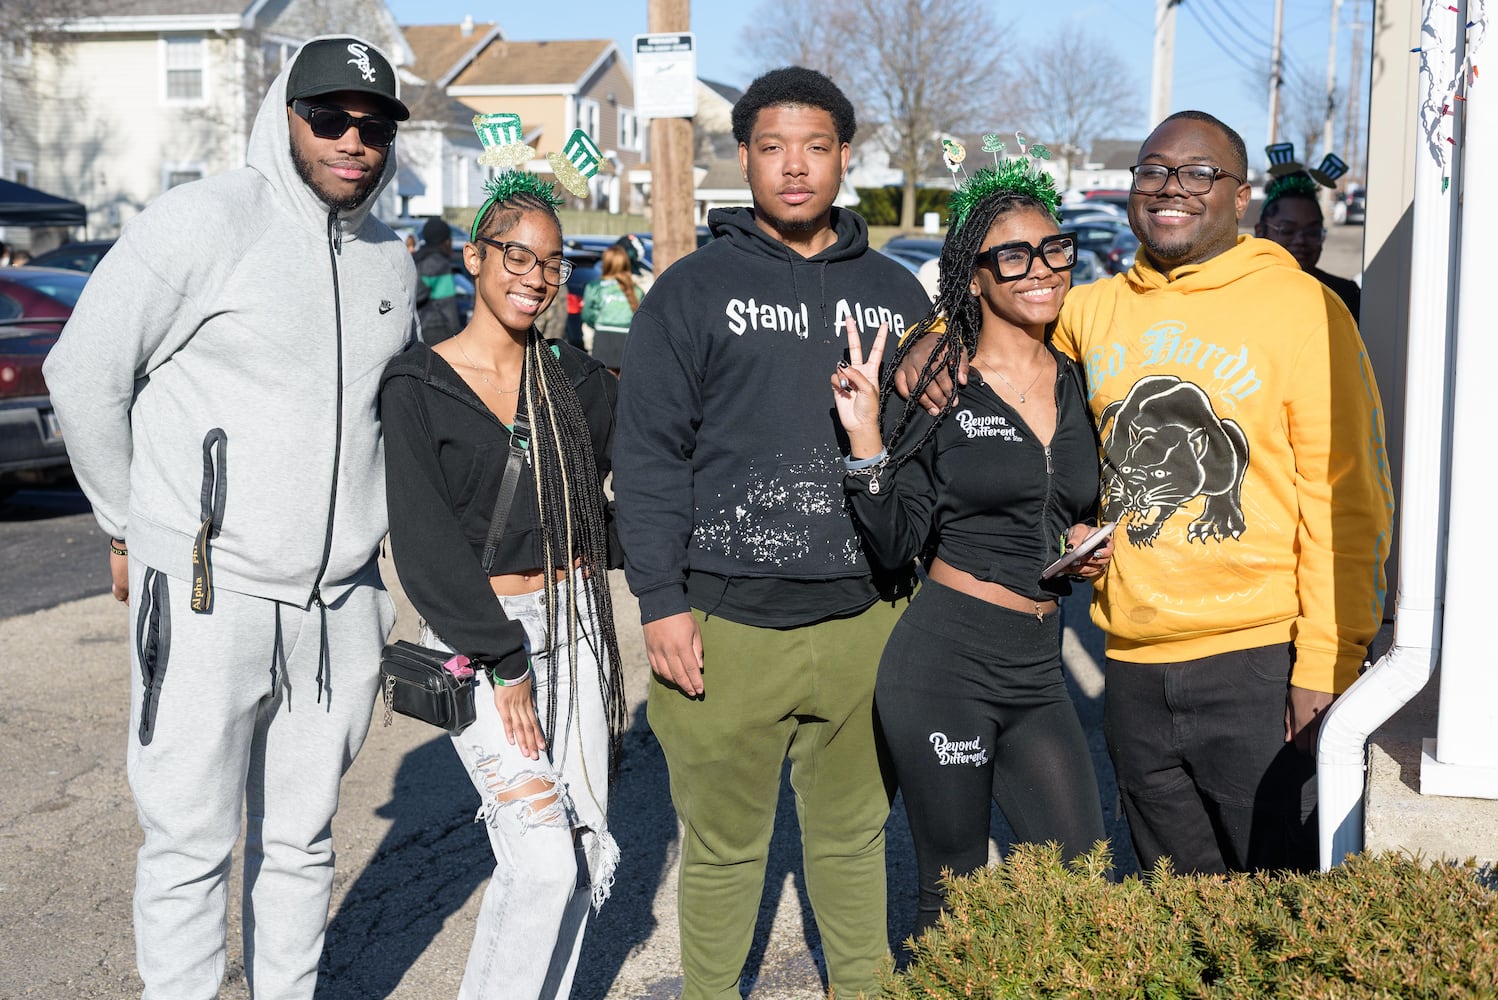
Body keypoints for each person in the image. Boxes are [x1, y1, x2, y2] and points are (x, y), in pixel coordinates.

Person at [897, 110, 1393, 876]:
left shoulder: (1304, 310)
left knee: (1284, 898)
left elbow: (1347, 500)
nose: (1172, 188)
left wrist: (1328, 662)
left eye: (1200, 173)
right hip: (1132, 669)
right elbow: (993, 311)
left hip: (1258, 660)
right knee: (1173, 906)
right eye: (1154, 170)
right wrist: (926, 336)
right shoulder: (1094, 310)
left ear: (1239, 198)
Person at [42, 35, 415, 999]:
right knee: (189, 846)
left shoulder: (390, 261)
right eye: (328, 118)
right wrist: (129, 526)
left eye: (372, 127)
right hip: (209, 596)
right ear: (282, 116)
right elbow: (82, 374)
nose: (352, 142)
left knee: (301, 846)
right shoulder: (204, 221)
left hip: (337, 610)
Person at [613, 66, 930, 998]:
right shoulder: (691, 290)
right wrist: (661, 603)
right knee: (720, 852)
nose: (795, 168)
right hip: (725, 627)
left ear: (844, 159)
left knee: (854, 838)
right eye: (772, 148)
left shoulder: (896, 294)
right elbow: (650, 457)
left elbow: (924, 459)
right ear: (743, 156)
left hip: (866, 619)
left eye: (817, 148)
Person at [831, 160, 1111, 936]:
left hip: (1038, 668)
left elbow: (1065, 503)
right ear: (975, 276)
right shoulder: (942, 384)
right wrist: (864, 439)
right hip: (945, 665)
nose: (1042, 270)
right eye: (1013, 257)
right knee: (951, 891)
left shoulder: (1077, 381)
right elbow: (895, 541)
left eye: (1054, 250)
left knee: (1080, 878)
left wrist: (1083, 539)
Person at [380, 161, 625, 998]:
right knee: (541, 856)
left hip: (579, 624)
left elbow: (624, 505)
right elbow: (423, 547)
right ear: (476, 260)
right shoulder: (416, 386)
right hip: (485, 637)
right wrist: (506, 657)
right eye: (515, 255)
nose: (535, 276)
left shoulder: (579, 384)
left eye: (550, 262)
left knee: (586, 846)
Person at [1254, 172, 1361, 319]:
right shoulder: (1244, 290)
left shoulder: (1344, 296)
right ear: (1260, 232)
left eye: (1312, 231)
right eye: (1288, 230)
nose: (1300, 240)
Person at [580, 243, 640, 373]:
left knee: (604, 383)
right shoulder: (635, 289)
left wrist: (597, 322)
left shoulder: (595, 286)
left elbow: (587, 314)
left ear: (605, 263)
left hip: (604, 338)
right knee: (625, 383)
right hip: (628, 339)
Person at [414, 214, 462, 342]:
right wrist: (456, 336)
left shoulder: (417, 259)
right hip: (438, 330)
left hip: (419, 329)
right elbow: (447, 305)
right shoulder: (440, 264)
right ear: (446, 241)